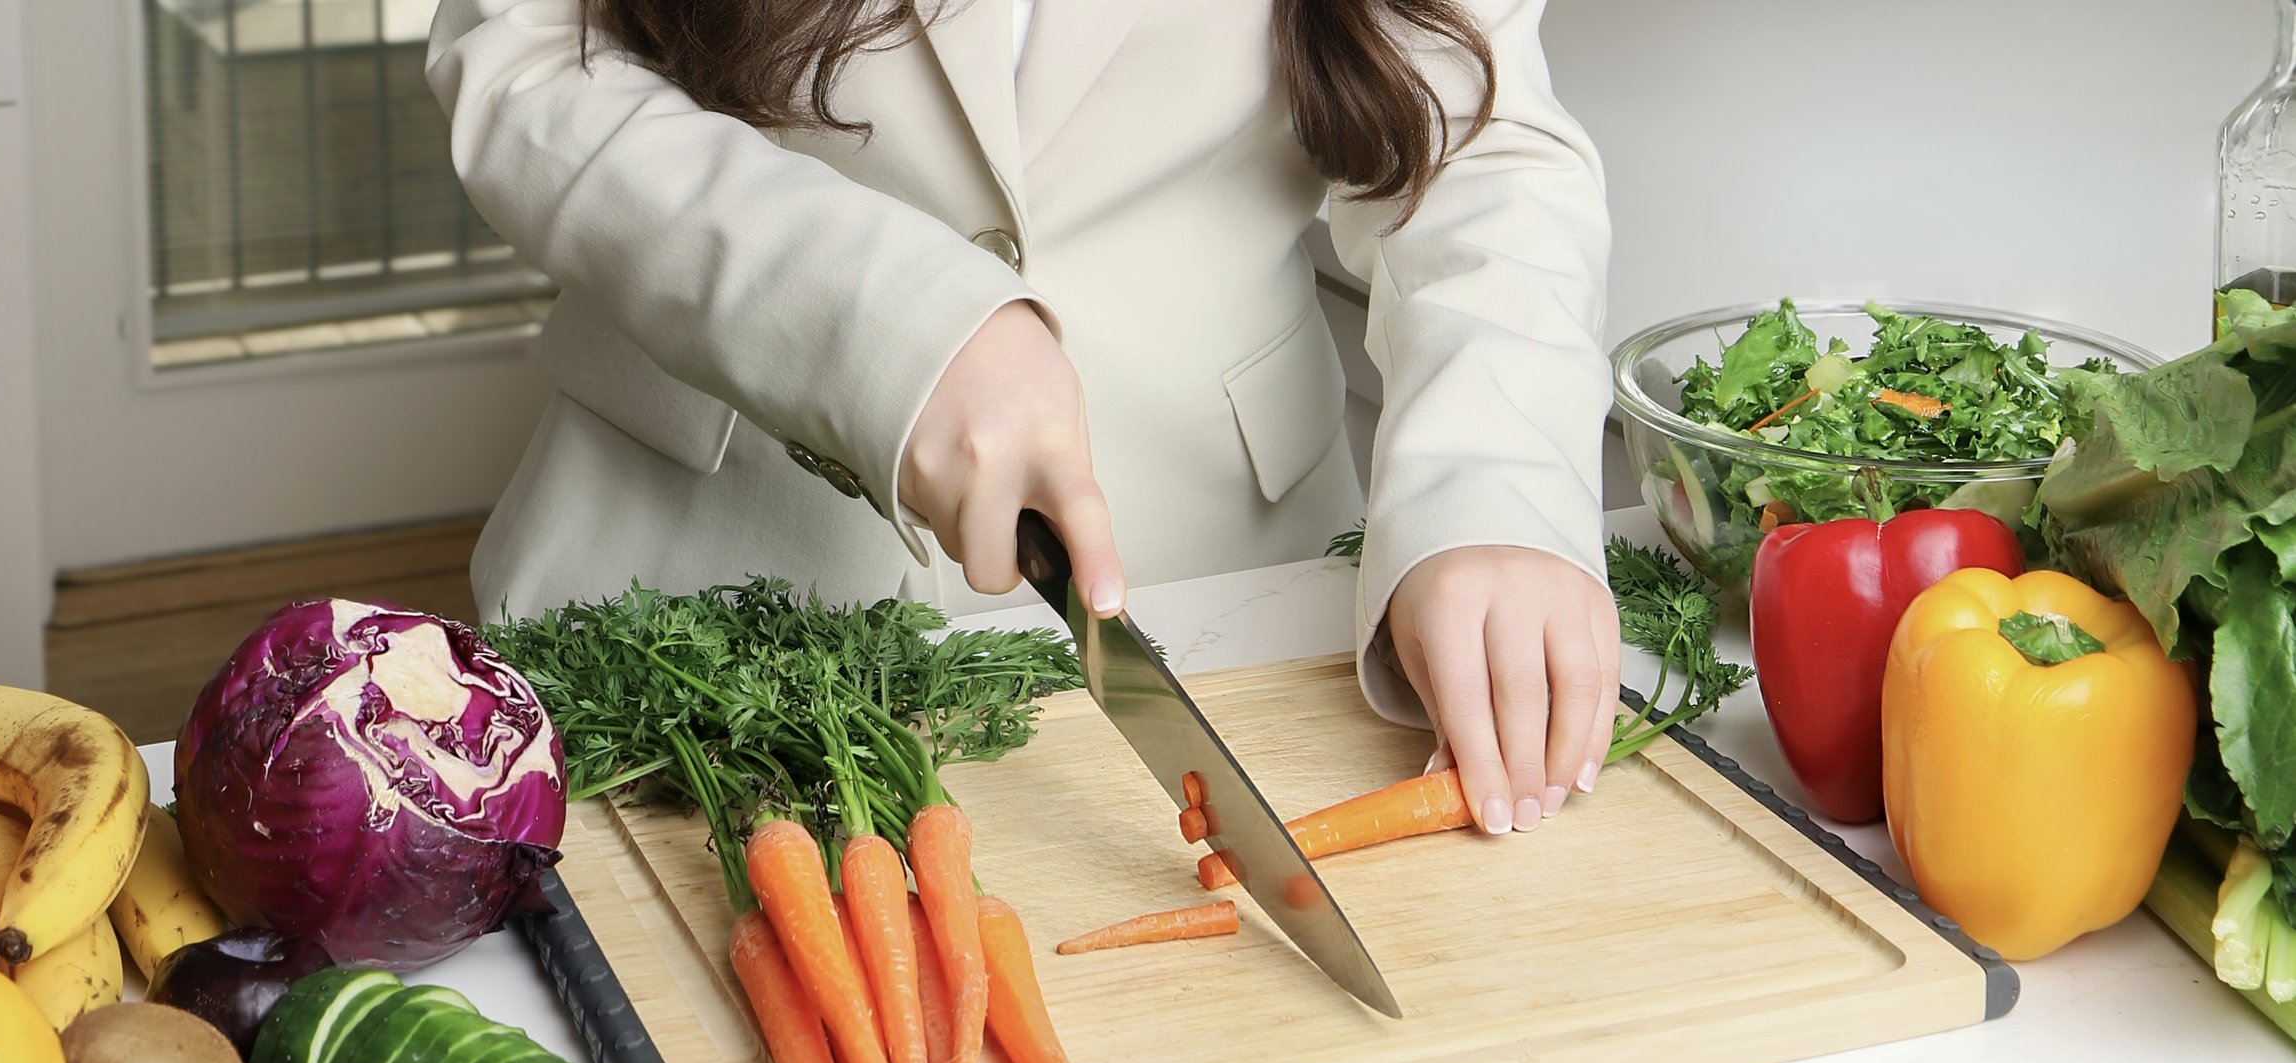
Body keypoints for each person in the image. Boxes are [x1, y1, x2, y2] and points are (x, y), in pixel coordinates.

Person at [427, 0, 1616, 836]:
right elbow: (525, 58)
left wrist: (1493, 485)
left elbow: (1478, 145)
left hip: (1227, 601)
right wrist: (887, 320)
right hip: (684, 596)